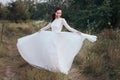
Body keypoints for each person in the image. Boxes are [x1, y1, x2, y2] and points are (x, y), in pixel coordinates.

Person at [16, 7, 97, 75]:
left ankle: (58, 68)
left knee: (56, 52)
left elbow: (69, 28)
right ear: (55, 13)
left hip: (58, 38)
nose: (59, 14)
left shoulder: (62, 20)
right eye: (58, 13)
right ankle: (52, 67)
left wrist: (77, 32)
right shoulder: (52, 20)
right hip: (51, 38)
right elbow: (47, 27)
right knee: (50, 52)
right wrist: (40, 30)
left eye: (60, 13)